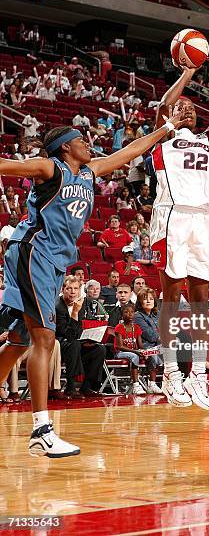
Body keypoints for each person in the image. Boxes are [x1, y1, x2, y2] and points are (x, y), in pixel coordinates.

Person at [0, 113, 183, 458]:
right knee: (43, 338)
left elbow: (126, 154)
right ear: (66, 146)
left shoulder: (89, 172)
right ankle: (41, 430)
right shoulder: (49, 167)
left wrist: (166, 128)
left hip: (51, 260)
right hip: (32, 252)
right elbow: (6, 165)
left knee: (18, 339)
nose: (88, 143)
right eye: (80, 139)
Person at [152, 35, 209, 410]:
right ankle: (171, 374)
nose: (186, 110)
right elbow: (164, 104)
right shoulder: (164, 135)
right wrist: (188, 73)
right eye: (182, 107)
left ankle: (199, 375)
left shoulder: (205, 138)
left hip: (203, 218)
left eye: (190, 108)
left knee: (201, 300)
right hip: (171, 215)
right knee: (171, 298)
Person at [56, 275, 106, 399]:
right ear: (63, 290)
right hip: (60, 343)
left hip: (76, 341)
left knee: (100, 349)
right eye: (69, 288)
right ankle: (71, 386)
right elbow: (65, 333)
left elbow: (80, 329)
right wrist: (74, 313)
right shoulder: (58, 306)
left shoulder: (82, 304)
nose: (73, 292)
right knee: (75, 345)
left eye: (76, 289)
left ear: (80, 290)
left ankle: (87, 386)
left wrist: (87, 340)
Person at [134, 287, 163, 394]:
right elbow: (149, 335)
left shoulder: (157, 314)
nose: (148, 301)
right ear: (140, 302)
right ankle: (152, 384)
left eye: (151, 298)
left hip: (159, 344)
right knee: (154, 352)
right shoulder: (137, 316)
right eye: (145, 299)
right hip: (145, 346)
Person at [113, 303, 146, 396]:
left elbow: (140, 345)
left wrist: (145, 351)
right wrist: (136, 351)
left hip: (133, 352)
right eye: (126, 312)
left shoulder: (136, 328)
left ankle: (152, 383)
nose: (130, 314)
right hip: (120, 353)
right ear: (122, 315)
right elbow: (120, 346)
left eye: (132, 312)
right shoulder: (119, 327)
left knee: (151, 356)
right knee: (134, 356)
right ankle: (136, 385)